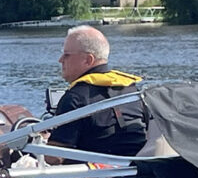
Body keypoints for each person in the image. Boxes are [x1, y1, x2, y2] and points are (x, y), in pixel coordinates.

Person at [48, 25, 146, 162]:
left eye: (67, 55)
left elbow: (55, 157)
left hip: (96, 177)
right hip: (137, 170)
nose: (60, 60)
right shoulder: (133, 90)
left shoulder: (76, 97)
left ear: (88, 60)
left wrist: (38, 147)